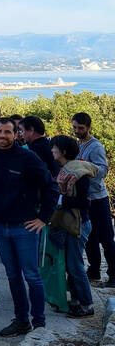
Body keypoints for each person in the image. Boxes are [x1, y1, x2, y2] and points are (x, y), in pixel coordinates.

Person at [0, 118, 58, 337]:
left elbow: (51, 187)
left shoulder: (28, 157)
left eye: (7, 132)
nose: (2, 136)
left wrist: (43, 219)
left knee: (32, 276)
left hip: (24, 227)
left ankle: (39, 324)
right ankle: (21, 320)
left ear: (16, 134)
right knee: (12, 275)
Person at [50, 135, 95, 318]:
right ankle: (76, 301)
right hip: (70, 224)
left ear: (63, 152)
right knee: (71, 265)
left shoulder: (78, 172)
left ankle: (87, 304)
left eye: (54, 148)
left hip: (78, 224)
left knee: (75, 266)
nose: (52, 151)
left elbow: (84, 203)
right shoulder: (67, 169)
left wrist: (59, 199)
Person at [72, 112, 115, 286]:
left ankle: (113, 274)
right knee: (89, 236)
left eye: (80, 128)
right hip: (85, 198)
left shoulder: (95, 146)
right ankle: (94, 270)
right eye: (75, 127)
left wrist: (84, 169)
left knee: (106, 238)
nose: (77, 131)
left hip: (98, 197)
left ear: (88, 127)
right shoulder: (77, 144)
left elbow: (103, 170)